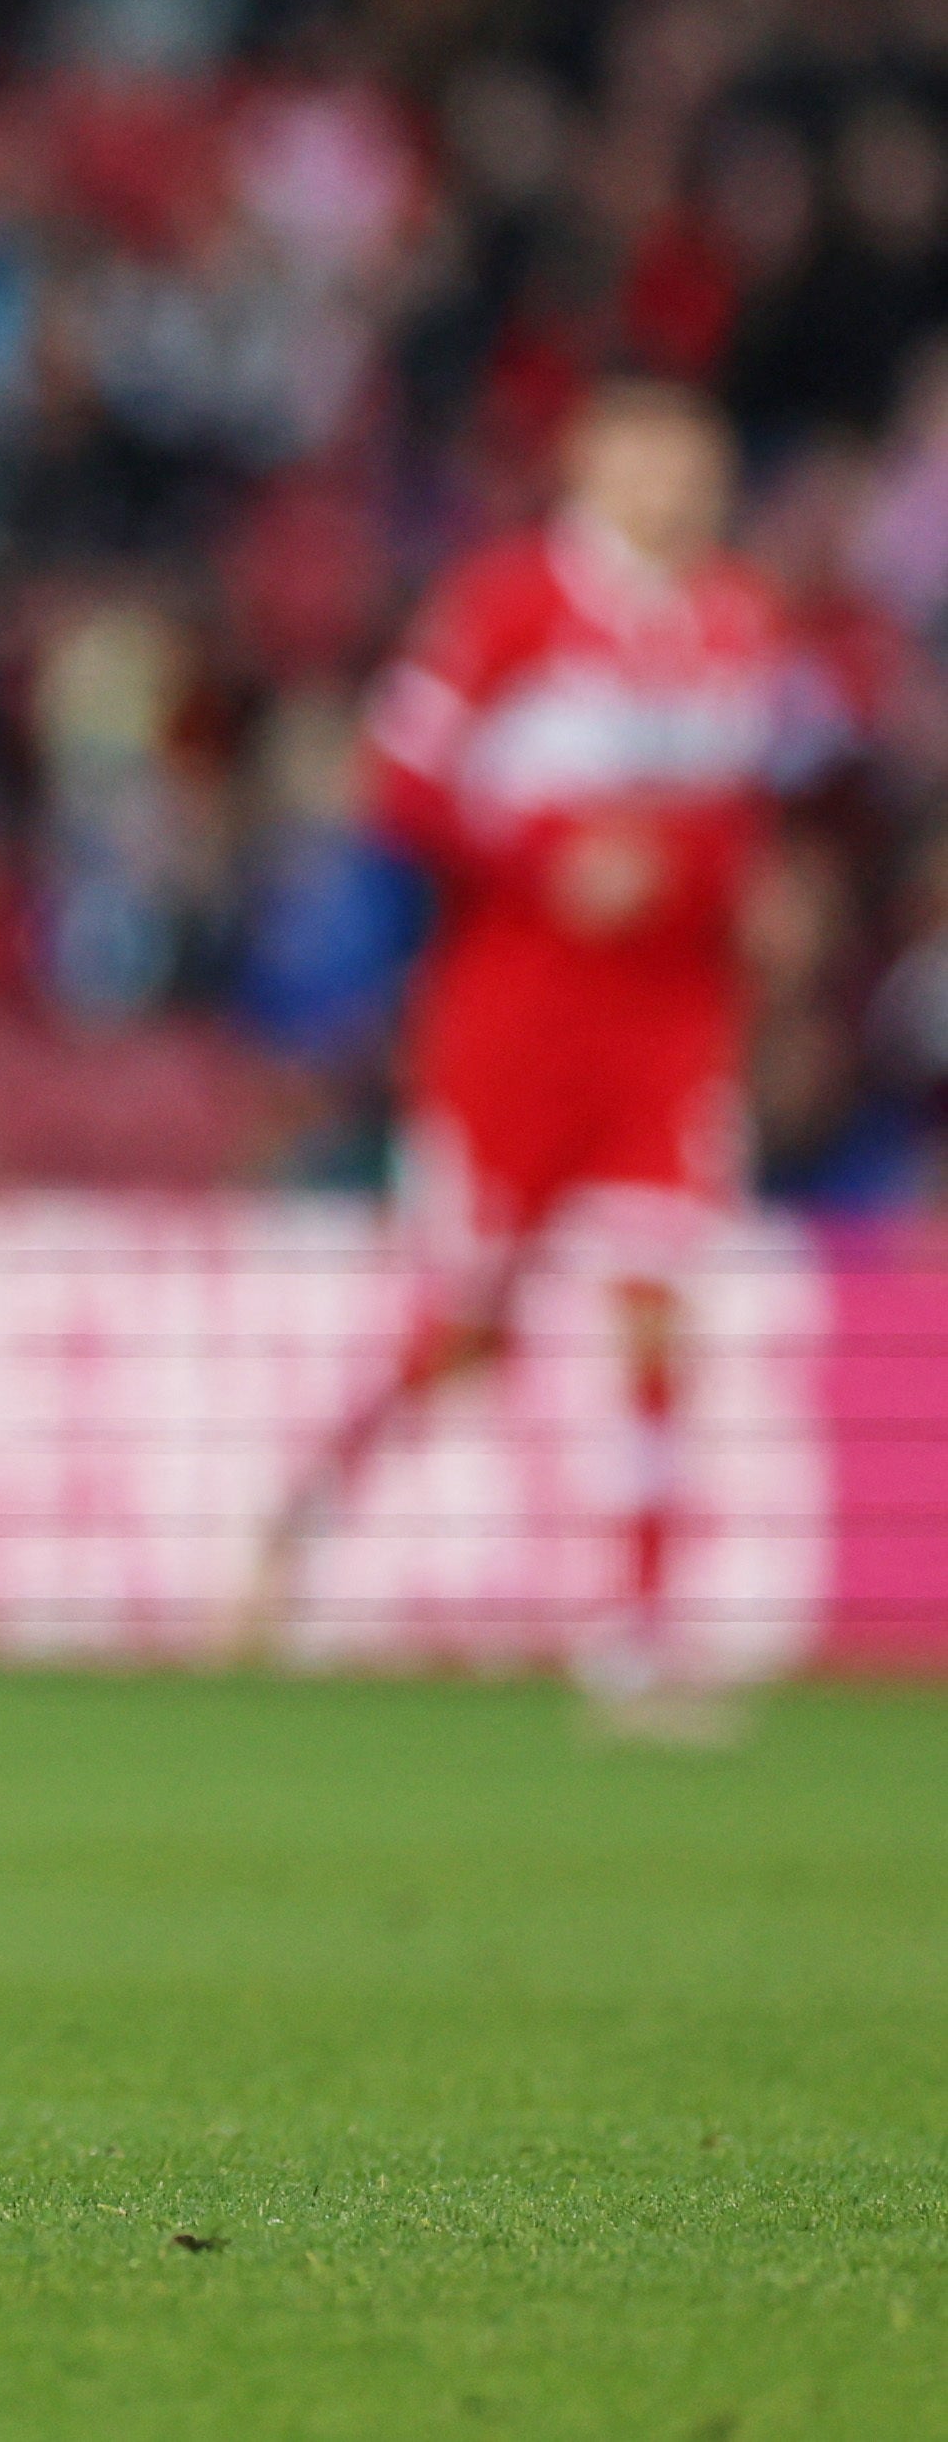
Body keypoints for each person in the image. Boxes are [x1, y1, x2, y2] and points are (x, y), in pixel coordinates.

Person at [247, 382, 810, 1735]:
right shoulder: (506, 606)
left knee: (659, 1299)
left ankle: (637, 1635)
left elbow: (730, 818)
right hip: (512, 1023)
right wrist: (552, 857)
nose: (676, 484)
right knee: (474, 1322)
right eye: (651, 454)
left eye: (698, 460)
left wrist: (749, 897)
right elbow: (394, 779)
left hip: (672, 1024)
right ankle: (316, 1498)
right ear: (590, 463)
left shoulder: (739, 621)